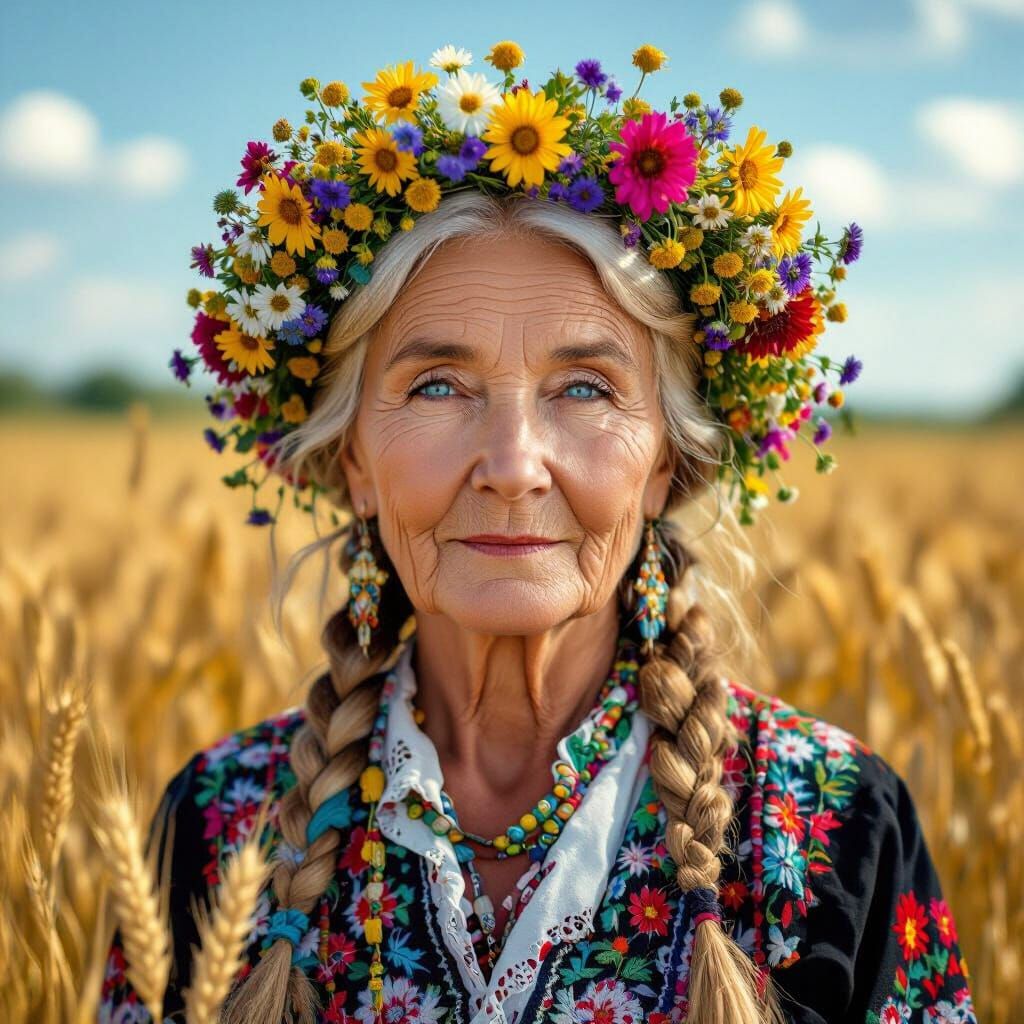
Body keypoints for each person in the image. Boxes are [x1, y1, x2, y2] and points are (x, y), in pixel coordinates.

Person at [99, 46, 976, 1024]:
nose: (512, 462)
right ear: (352, 458)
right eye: (437, 385)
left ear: (662, 466)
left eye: (584, 389)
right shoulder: (220, 825)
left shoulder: (834, 821)